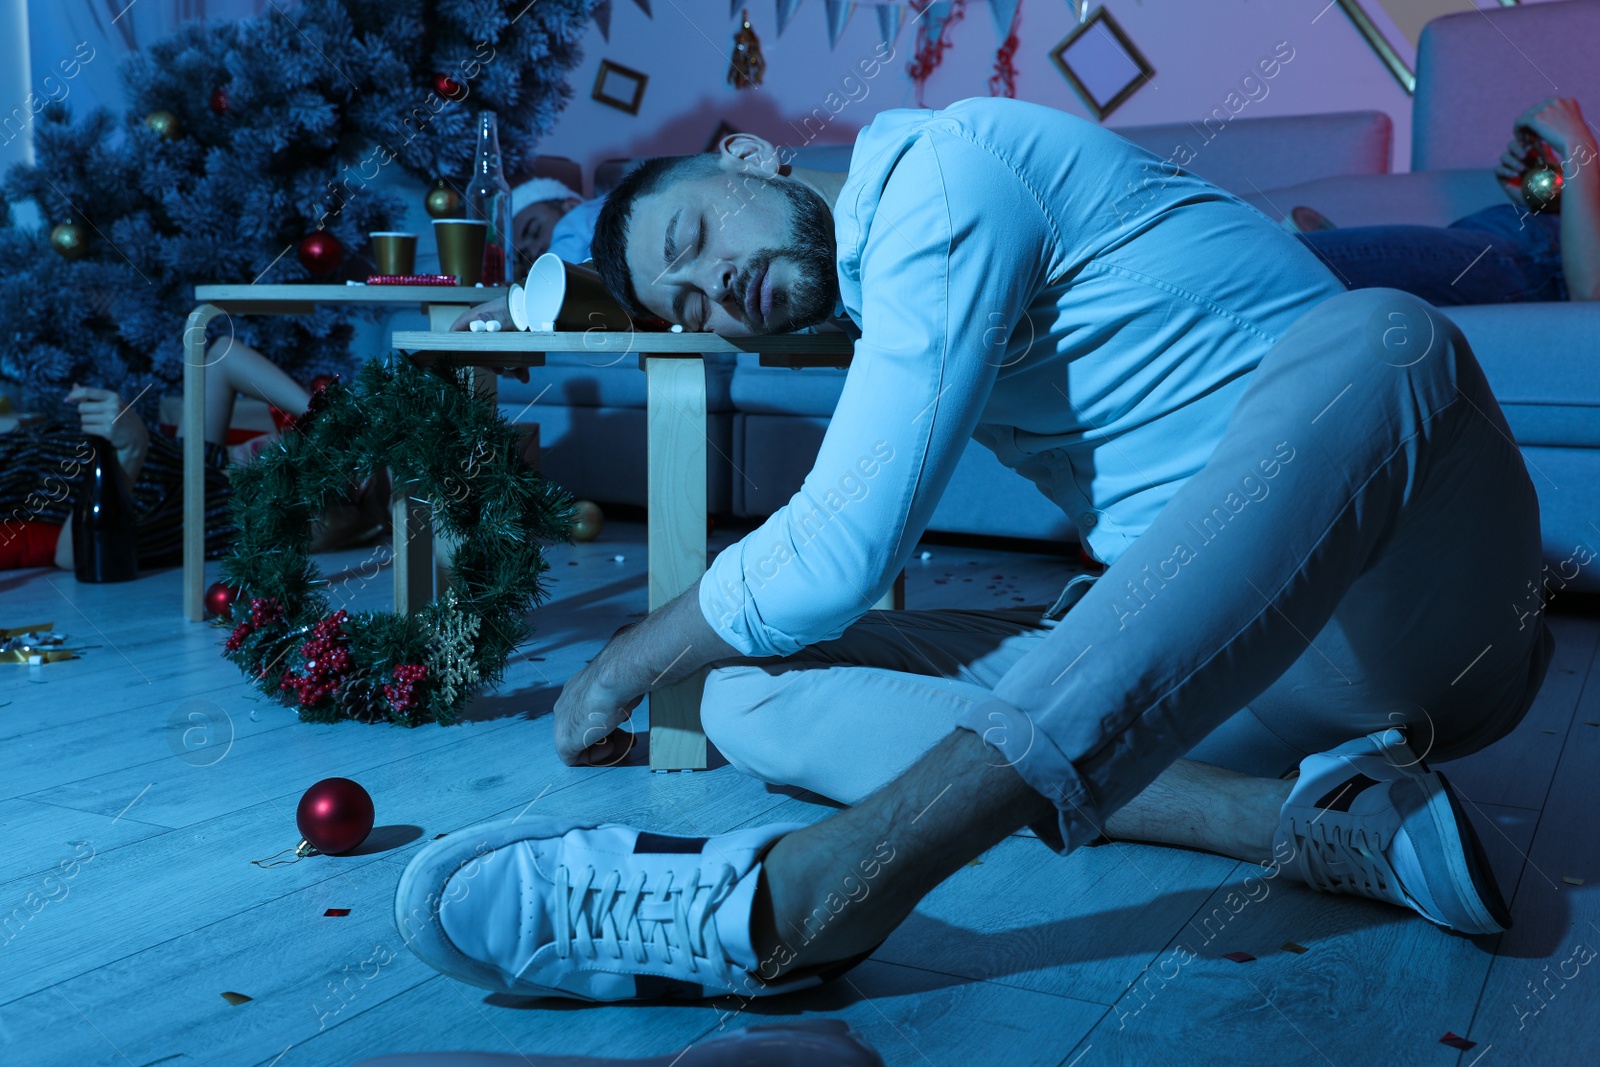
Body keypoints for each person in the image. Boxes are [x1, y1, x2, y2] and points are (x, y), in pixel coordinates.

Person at [396, 97, 1555, 1005]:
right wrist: (671, 660)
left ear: (749, 156)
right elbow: (821, 565)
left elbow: (841, 549)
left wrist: (615, 660)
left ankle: (810, 893)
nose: (716, 287)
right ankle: (1312, 821)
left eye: (695, 236)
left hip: (1415, 605)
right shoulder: (875, 295)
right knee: (740, 691)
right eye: (689, 302)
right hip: (1220, 663)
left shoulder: (948, 175)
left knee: (1385, 336)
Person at [0, 340, 385, 570]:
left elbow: (76, 557)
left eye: (283, 462)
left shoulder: (204, 515)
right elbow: (221, 354)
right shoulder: (206, 462)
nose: (274, 443)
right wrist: (332, 420)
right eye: (292, 440)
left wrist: (130, 450)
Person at [1293, 96, 1600, 304]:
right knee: (1321, 265)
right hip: (1523, 238)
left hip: (1532, 257)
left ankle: (1312, 259)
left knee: (1289, 260)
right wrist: (1551, 201)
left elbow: (1590, 292)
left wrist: (1577, 143)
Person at [509, 175, 605, 268]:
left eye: (535, 231)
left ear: (572, 204)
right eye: (526, 256)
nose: (534, 253)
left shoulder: (582, 216)